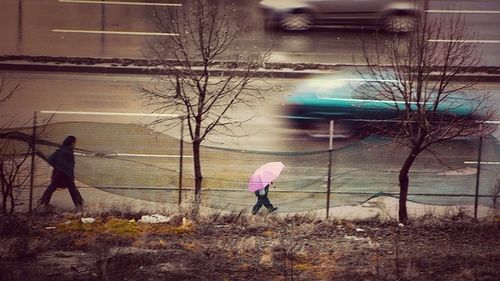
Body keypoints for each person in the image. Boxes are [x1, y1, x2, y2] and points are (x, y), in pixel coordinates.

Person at [39, 135, 84, 210]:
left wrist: (57, 166)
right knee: (72, 190)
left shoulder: (61, 150)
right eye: (75, 142)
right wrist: (66, 171)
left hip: (59, 174)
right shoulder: (68, 151)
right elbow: (69, 165)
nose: (75, 144)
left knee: (51, 188)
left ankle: (42, 204)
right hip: (64, 174)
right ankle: (80, 206)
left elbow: (50, 159)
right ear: (71, 143)